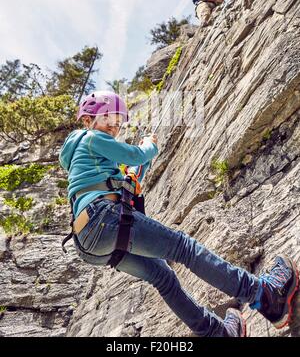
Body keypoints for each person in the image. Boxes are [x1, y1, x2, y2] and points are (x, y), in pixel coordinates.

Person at [59, 91, 299, 337]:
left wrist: (139, 168)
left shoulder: (86, 163)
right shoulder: (88, 138)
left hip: (89, 242)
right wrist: (148, 147)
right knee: (184, 248)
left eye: (119, 123)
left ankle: (217, 333)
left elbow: (126, 184)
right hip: (104, 219)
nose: (114, 127)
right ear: (88, 120)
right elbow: (134, 155)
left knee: (162, 277)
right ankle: (265, 295)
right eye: (108, 118)